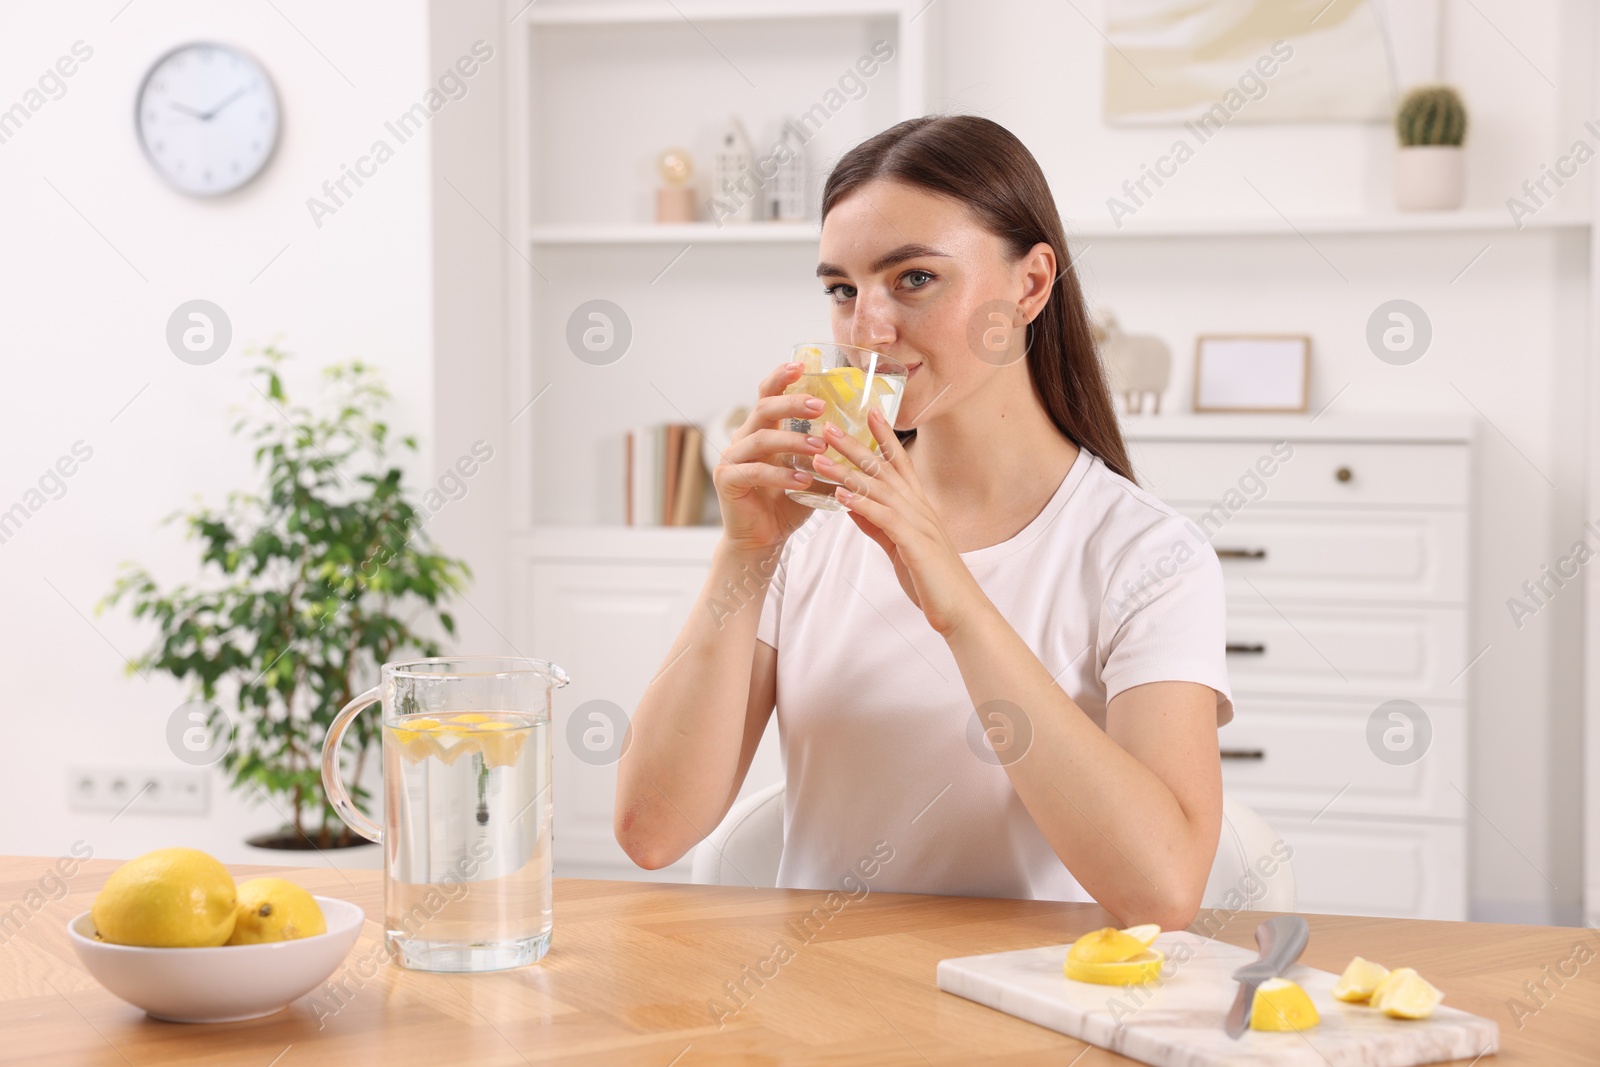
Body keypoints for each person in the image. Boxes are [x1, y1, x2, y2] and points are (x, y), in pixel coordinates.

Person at [616, 115, 1232, 928]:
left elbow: (1161, 890)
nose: (867, 328)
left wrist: (956, 599)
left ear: (1031, 284)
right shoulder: (809, 532)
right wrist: (745, 552)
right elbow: (653, 831)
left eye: (913, 279)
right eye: (842, 288)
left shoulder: (1148, 555)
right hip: (819, 1016)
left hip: (1038, 1017)